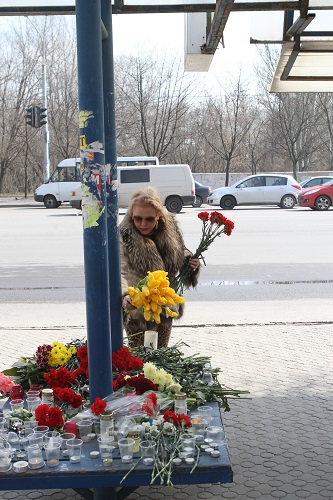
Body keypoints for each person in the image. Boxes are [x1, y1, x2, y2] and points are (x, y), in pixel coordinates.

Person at [120, 187, 200, 348]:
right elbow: (120, 269)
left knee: (161, 355)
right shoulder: (125, 234)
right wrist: (124, 295)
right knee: (140, 360)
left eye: (149, 219)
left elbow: (181, 250)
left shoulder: (170, 228)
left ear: (159, 216)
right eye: (137, 218)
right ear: (131, 215)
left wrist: (190, 261)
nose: (142, 224)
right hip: (137, 309)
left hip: (164, 305)